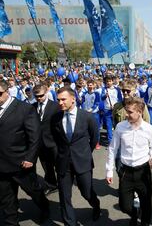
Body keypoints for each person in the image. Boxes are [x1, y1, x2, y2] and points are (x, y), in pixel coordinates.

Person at [0, 80, 49, 225]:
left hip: (21, 163)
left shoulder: (24, 109)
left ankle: (45, 208)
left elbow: (35, 136)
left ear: (7, 91)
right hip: (1, 164)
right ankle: (12, 222)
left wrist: (30, 158)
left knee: (33, 191)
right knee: (6, 197)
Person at [51, 86, 101, 226]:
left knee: (87, 192)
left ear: (73, 99)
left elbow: (94, 137)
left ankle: (96, 206)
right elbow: (54, 139)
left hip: (82, 161)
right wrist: (59, 155)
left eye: (63, 99)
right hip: (63, 163)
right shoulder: (55, 118)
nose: (60, 103)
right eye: (58, 100)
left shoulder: (87, 117)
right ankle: (70, 223)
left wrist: (84, 153)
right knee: (64, 197)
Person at [106, 97, 152, 226]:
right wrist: (109, 171)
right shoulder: (120, 127)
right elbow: (113, 148)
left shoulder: (149, 129)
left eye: (130, 112)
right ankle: (134, 214)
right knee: (125, 206)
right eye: (126, 111)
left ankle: (144, 223)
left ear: (140, 112)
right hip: (126, 172)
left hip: (143, 171)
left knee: (146, 203)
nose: (126, 114)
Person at [32, 83, 61, 195]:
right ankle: (51, 184)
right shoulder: (33, 107)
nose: (39, 98)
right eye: (36, 96)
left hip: (54, 142)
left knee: (59, 165)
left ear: (46, 93)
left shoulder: (56, 106)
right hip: (40, 143)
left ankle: (63, 184)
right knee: (46, 166)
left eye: (41, 96)